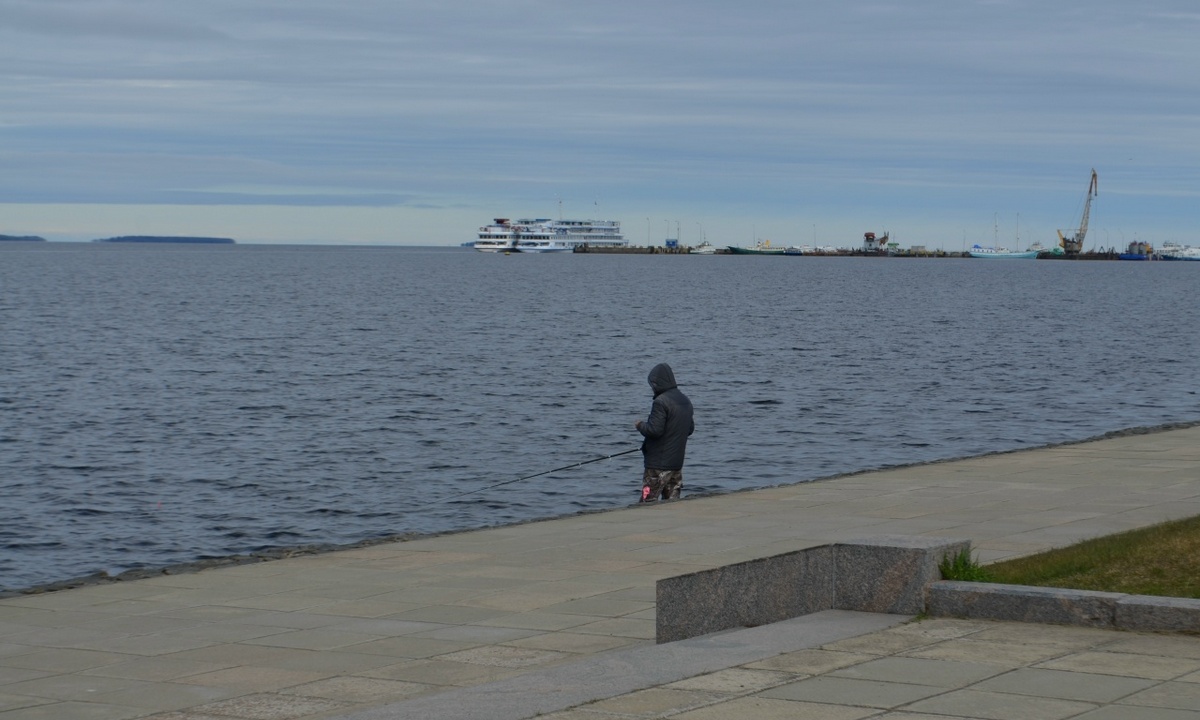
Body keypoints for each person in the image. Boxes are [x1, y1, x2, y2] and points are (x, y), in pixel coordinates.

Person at [634, 363, 694, 502]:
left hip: (657, 466)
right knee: (672, 504)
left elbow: (655, 430)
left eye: (654, 384)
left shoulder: (661, 402)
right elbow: (689, 429)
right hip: (676, 465)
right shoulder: (685, 400)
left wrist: (640, 425)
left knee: (647, 502)